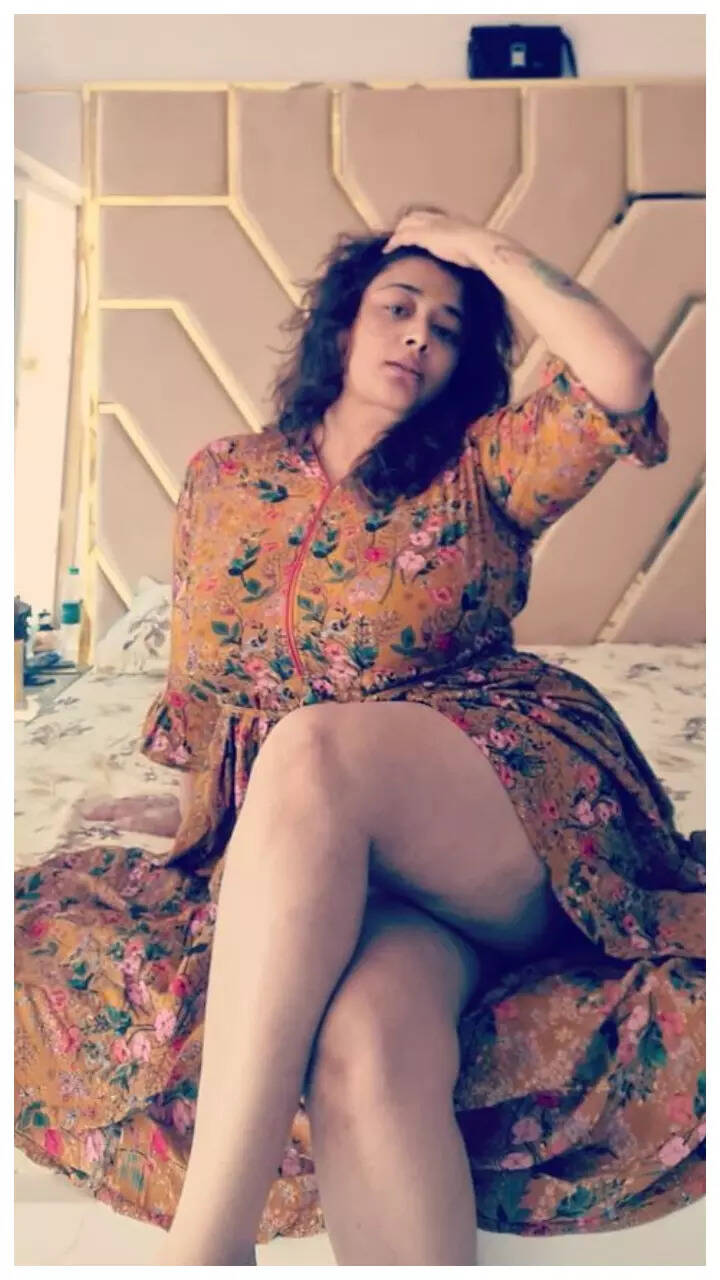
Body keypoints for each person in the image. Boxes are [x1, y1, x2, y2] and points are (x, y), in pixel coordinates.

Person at [14, 207, 705, 1266]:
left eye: (448, 325)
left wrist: (477, 246)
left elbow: (617, 374)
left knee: (312, 747)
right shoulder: (224, 476)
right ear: (342, 325)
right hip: (340, 853)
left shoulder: (483, 467)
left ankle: (208, 1246)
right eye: (398, 306)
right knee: (365, 1048)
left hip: (497, 807)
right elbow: (202, 679)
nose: (420, 333)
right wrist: (211, 813)